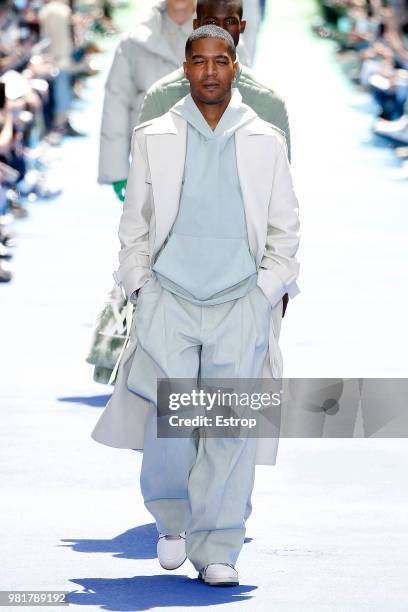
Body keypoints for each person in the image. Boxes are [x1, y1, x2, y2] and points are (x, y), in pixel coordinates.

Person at [92, 25, 300, 586]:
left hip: (238, 303)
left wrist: (263, 293)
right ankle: (172, 520)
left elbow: (285, 231)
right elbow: (133, 226)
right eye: (199, 60)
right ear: (185, 68)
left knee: (229, 429)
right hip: (170, 299)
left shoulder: (264, 140)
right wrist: (141, 287)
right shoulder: (154, 135)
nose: (209, 70)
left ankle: (220, 546)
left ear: (236, 67)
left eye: (220, 60)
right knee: (170, 425)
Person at [97, 0, 195, 201]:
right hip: (150, 161)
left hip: (207, 164)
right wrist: (117, 170)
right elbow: (116, 102)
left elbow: (241, 100)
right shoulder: (135, 40)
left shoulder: (222, 36)